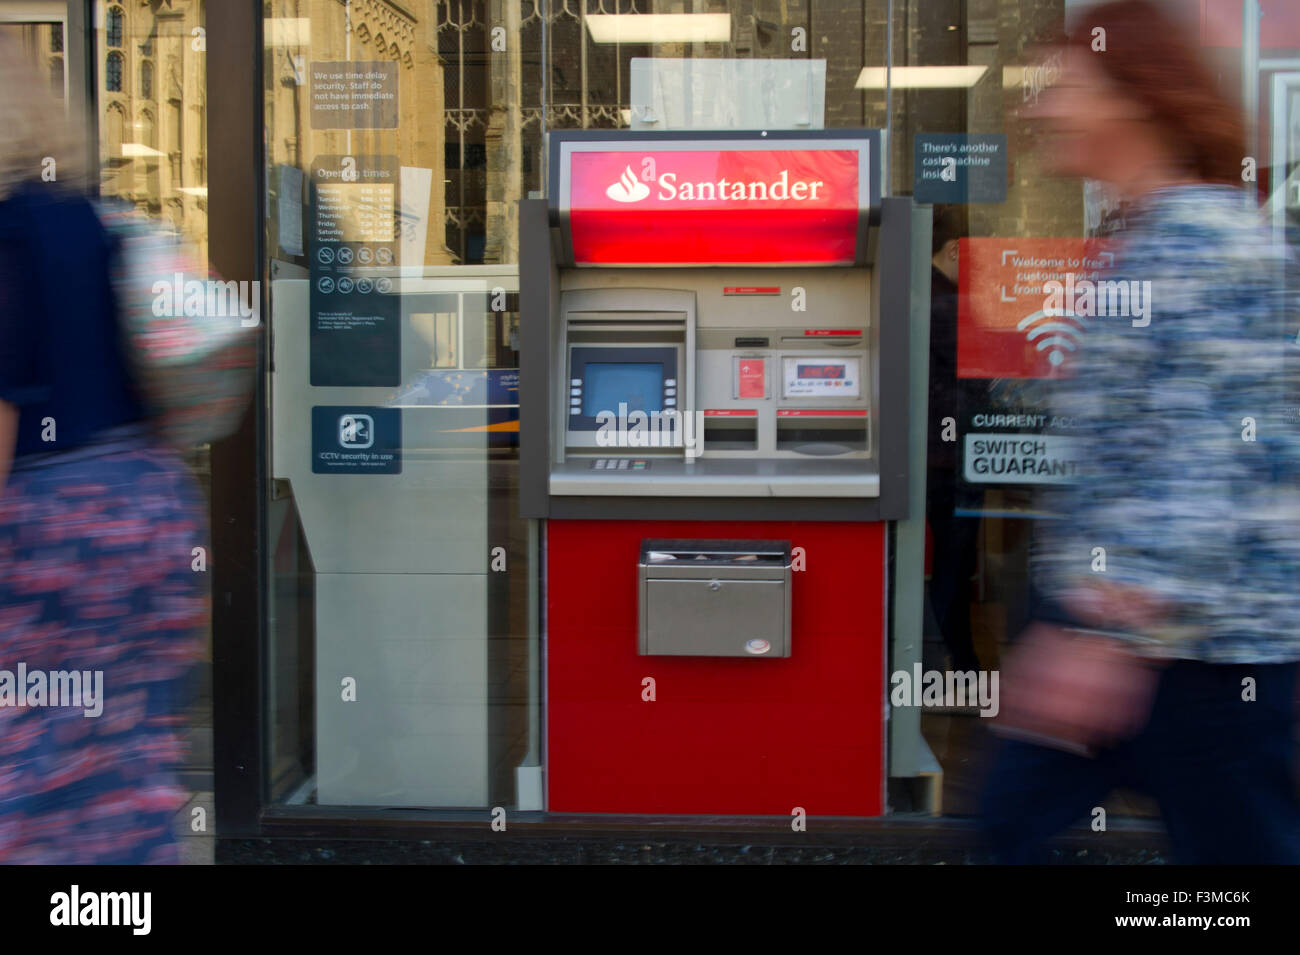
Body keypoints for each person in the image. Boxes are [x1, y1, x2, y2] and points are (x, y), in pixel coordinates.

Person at [980, 0, 1300, 864]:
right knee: (1006, 834)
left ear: (1134, 95)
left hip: (1204, 650)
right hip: (1127, 629)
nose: (1039, 107)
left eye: (1063, 86)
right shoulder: (1148, 236)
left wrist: (1109, 636)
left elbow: (1214, 459)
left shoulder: (1203, 241)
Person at [0, 41, 207, 863]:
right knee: (123, 743)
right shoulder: (104, 223)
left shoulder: (9, 235)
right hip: (149, 508)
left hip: (55, 527)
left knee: (33, 753)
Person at [925, 204, 984, 673]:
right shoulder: (946, 304)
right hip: (949, 457)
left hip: (927, 454)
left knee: (944, 564)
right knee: (954, 565)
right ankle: (959, 666)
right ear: (954, 249)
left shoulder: (917, 293)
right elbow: (979, 382)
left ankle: (946, 662)